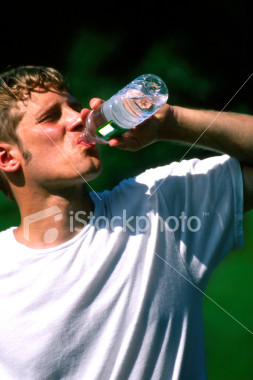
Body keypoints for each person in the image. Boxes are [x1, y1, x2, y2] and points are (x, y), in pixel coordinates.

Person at [0, 65, 252, 380]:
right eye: (51, 117)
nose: (78, 117)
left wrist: (170, 123)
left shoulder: (157, 202)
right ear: (7, 158)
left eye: (74, 106)